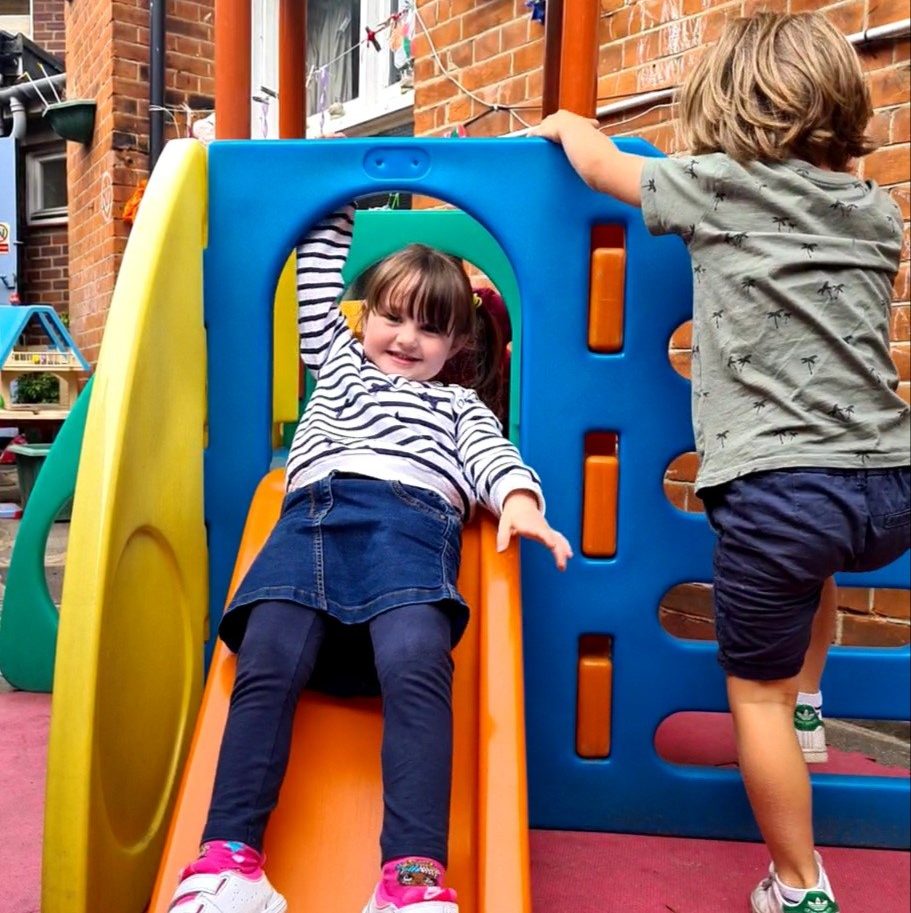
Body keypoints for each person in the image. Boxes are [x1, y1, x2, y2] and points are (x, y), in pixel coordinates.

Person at [531, 11, 909, 913]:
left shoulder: (716, 186)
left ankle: (798, 882)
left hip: (779, 489)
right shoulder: (875, 208)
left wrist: (566, 125)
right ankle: (812, 706)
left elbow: (600, 168)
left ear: (724, 109)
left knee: (754, 701)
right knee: (814, 577)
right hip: (888, 481)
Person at [167, 203, 572, 913]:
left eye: (431, 327)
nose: (406, 338)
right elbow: (318, 282)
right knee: (265, 652)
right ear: (365, 317)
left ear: (455, 346)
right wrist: (336, 195)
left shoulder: (458, 408)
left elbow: (492, 456)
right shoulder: (336, 366)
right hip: (312, 520)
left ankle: (410, 878)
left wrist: (516, 501)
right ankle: (229, 860)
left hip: (409, 528)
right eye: (392, 316)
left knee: (419, 656)